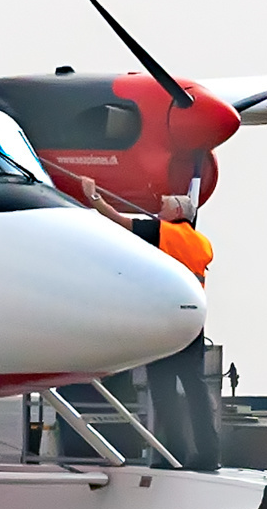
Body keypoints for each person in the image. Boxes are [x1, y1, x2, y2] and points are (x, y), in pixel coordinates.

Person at [78, 176, 219, 471]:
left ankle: (173, 453)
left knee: (164, 390)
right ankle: (208, 455)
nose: (159, 207)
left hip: (165, 324)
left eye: (165, 204)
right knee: (195, 390)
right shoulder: (202, 243)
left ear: (179, 212)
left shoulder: (163, 232)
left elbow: (119, 222)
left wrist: (93, 198)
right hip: (193, 323)